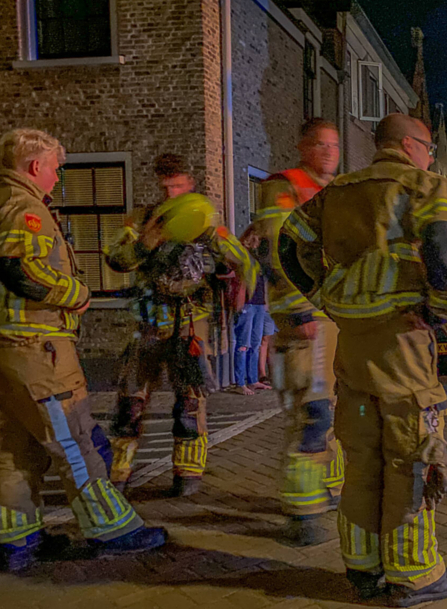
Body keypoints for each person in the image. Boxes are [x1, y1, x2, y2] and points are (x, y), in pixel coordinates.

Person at [279, 113, 447, 606]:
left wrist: (322, 294)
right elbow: (446, 249)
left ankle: (362, 570)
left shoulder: (337, 190)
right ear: (410, 145)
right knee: (412, 455)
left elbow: (287, 242)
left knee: (361, 460)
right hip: (404, 343)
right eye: (429, 147)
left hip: (353, 345)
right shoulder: (426, 185)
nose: (431, 157)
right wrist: (441, 314)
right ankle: (415, 574)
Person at [0, 129, 165, 572]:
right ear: (36, 166)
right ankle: (111, 529)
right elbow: (21, 271)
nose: (57, 177)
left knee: (20, 448)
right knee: (75, 439)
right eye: (55, 167)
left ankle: (17, 541)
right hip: (34, 346)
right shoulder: (25, 208)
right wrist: (73, 292)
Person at [105, 154, 258, 497]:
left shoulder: (205, 225)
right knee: (131, 400)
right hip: (148, 319)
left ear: (190, 184)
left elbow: (241, 259)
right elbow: (115, 258)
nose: (172, 193)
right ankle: (119, 472)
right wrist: (145, 243)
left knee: (189, 399)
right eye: (166, 186)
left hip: (190, 321)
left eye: (178, 185)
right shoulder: (143, 219)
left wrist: (238, 287)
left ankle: (188, 474)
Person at [249, 118, 344, 545]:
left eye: (334, 145)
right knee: (312, 414)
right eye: (320, 145)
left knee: (335, 412)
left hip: (332, 319)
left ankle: (330, 490)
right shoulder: (284, 187)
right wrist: (299, 312)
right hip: (305, 321)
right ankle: (302, 513)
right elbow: (277, 248)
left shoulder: (335, 190)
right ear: (303, 147)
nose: (328, 152)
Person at [228, 232, 274, 396]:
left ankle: (253, 379)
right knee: (243, 344)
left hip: (259, 304)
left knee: (255, 343)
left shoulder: (259, 258)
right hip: (247, 304)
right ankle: (240, 382)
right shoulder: (242, 256)